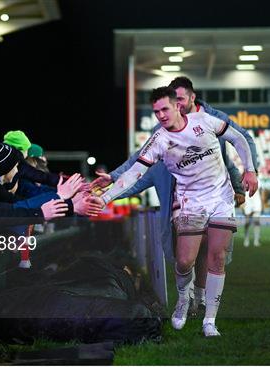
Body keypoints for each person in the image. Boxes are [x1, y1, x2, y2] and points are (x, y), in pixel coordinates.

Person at [92, 86, 257, 337]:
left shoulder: (204, 121)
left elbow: (238, 138)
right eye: (156, 111)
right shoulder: (159, 140)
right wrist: (105, 198)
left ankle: (209, 320)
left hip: (221, 199)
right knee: (184, 261)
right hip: (190, 202)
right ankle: (183, 298)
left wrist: (250, 169)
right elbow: (135, 172)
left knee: (218, 258)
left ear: (177, 106)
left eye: (164, 109)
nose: (160, 115)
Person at [243, 181, 262, 247]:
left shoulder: (259, 180)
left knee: (256, 222)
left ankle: (256, 240)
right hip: (248, 202)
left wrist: (262, 203)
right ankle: (246, 239)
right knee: (247, 223)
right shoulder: (244, 179)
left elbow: (261, 192)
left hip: (256, 202)